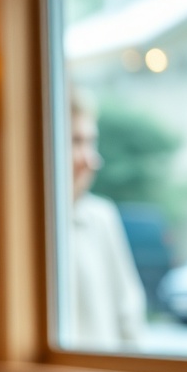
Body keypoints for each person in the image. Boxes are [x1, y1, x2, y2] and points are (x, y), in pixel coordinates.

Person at [65, 88, 147, 350]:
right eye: (75, 142)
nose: (91, 160)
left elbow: (129, 318)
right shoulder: (16, 230)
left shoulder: (102, 217)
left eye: (91, 142)